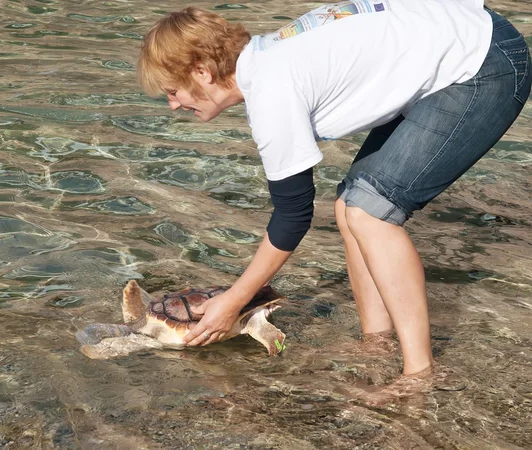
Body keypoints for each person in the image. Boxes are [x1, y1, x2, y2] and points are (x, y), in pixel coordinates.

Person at [137, 1, 531, 385]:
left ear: (202, 72)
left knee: (370, 213)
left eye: (173, 92)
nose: (173, 106)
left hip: (485, 63)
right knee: (350, 205)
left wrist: (235, 301)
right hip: (466, 40)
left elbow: (293, 216)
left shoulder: (273, 89)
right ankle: (375, 343)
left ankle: (419, 375)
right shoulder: (267, 57)